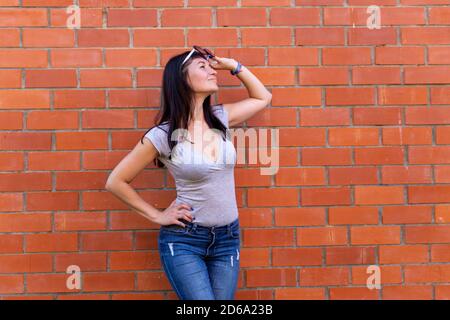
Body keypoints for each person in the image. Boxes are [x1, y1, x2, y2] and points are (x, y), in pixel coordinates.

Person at [105, 46, 272, 300]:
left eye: (210, 66)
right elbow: (116, 181)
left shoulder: (220, 118)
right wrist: (158, 215)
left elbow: (263, 97)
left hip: (227, 238)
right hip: (185, 241)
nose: (211, 71)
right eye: (202, 67)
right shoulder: (161, 135)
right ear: (182, 79)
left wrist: (233, 66)